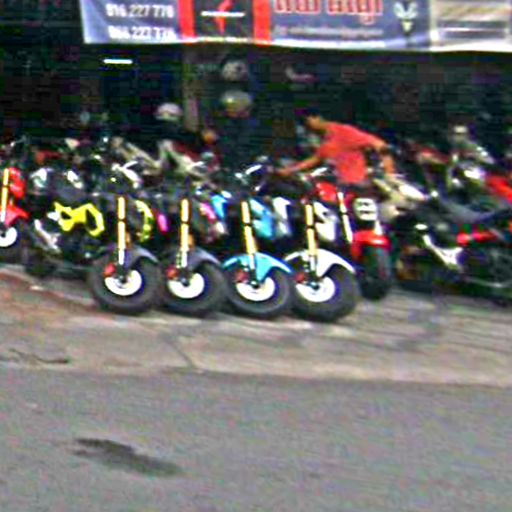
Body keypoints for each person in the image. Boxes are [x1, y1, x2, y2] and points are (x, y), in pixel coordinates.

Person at [278, 109, 395, 186]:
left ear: (317, 118)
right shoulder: (324, 139)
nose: (307, 127)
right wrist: (290, 170)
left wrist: (389, 172)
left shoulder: (344, 131)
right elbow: (316, 158)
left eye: (306, 122)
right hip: (339, 185)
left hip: (357, 184)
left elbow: (379, 144)